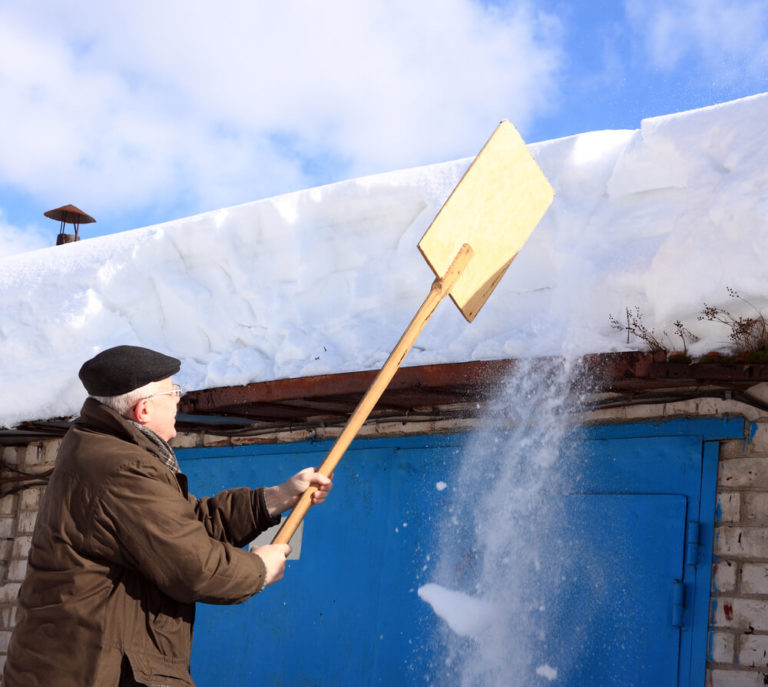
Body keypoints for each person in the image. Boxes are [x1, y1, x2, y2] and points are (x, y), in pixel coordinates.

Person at [3, 345, 332, 687]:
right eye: (172, 392)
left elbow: (187, 524)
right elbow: (192, 565)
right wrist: (258, 570)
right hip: (92, 671)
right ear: (143, 409)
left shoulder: (106, 452)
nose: (179, 399)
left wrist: (276, 498)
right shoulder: (121, 468)